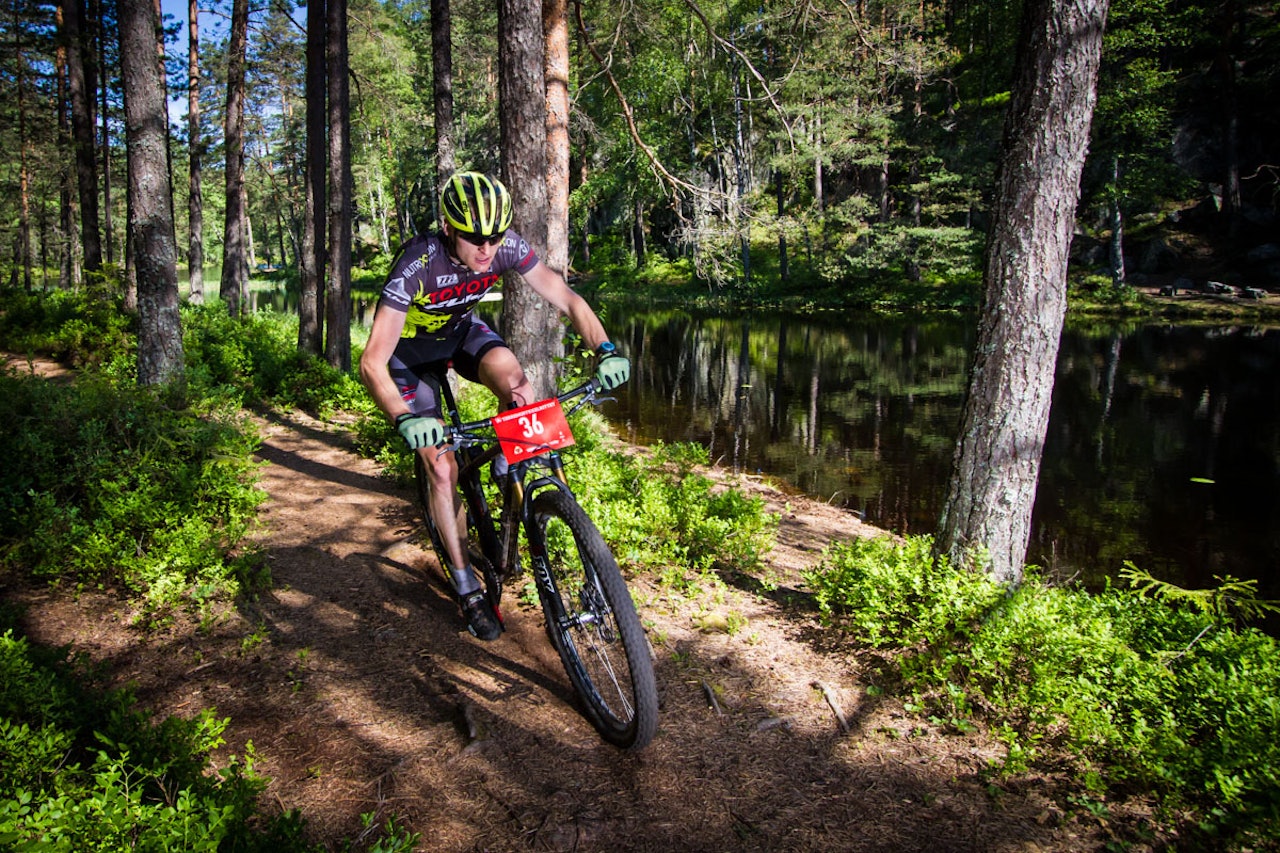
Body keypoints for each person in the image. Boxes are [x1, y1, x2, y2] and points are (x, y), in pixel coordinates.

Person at [360, 170, 630, 641]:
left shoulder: (504, 246)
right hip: (408, 357)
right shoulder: (418, 262)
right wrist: (404, 419)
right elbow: (372, 361)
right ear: (448, 228)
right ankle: (467, 587)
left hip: (461, 335)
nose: (486, 249)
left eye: (495, 237)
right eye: (474, 238)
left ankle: (514, 467)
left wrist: (604, 348)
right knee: (442, 469)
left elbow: (566, 297)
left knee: (519, 385)